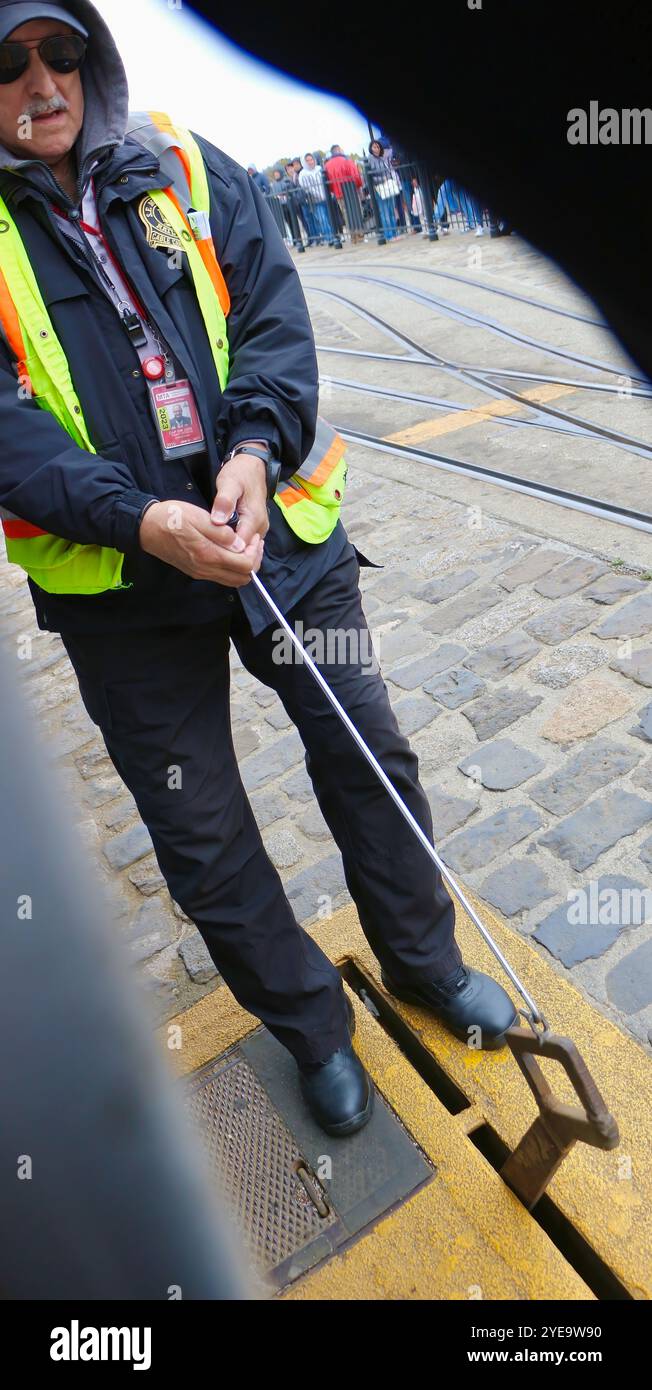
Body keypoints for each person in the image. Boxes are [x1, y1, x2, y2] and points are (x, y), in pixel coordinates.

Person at [0, 0, 517, 1138]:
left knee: (367, 749)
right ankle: (313, 1029)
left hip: (276, 532)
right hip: (126, 592)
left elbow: (277, 315)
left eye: (61, 55)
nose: (42, 84)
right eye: (8, 65)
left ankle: (425, 963)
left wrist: (249, 446)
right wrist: (140, 519)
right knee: (201, 835)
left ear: (90, 59)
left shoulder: (185, 160)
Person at [324, 142, 365, 243]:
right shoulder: (347, 160)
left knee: (346, 214)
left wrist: (333, 190)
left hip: (338, 193)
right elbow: (355, 175)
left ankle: (353, 236)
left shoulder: (327, 165)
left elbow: (327, 182)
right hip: (351, 190)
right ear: (338, 150)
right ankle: (360, 234)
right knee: (357, 211)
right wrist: (359, 185)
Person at [367, 137, 400, 240]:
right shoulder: (370, 160)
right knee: (384, 211)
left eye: (377, 147)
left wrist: (389, 177)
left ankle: (395, 233)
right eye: (374, 147)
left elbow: (388, 171)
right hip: (379, 188)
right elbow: (370, 176)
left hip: (388, 186)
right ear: (371, 148)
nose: (376, 149)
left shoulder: (383, 158)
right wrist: (383, 178)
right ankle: (389, 235)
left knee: (391, 210)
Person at [298, 151, 333, 245]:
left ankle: (332, 236)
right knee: (322, 219)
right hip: (315, 200)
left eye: (311, 159)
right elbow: (306, 187)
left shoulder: (320, 169)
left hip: (326, 198)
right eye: (308, 160)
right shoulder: (303, 174)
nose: (310, 162)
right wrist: (317, 194)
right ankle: (330, 238)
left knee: (329, 218)